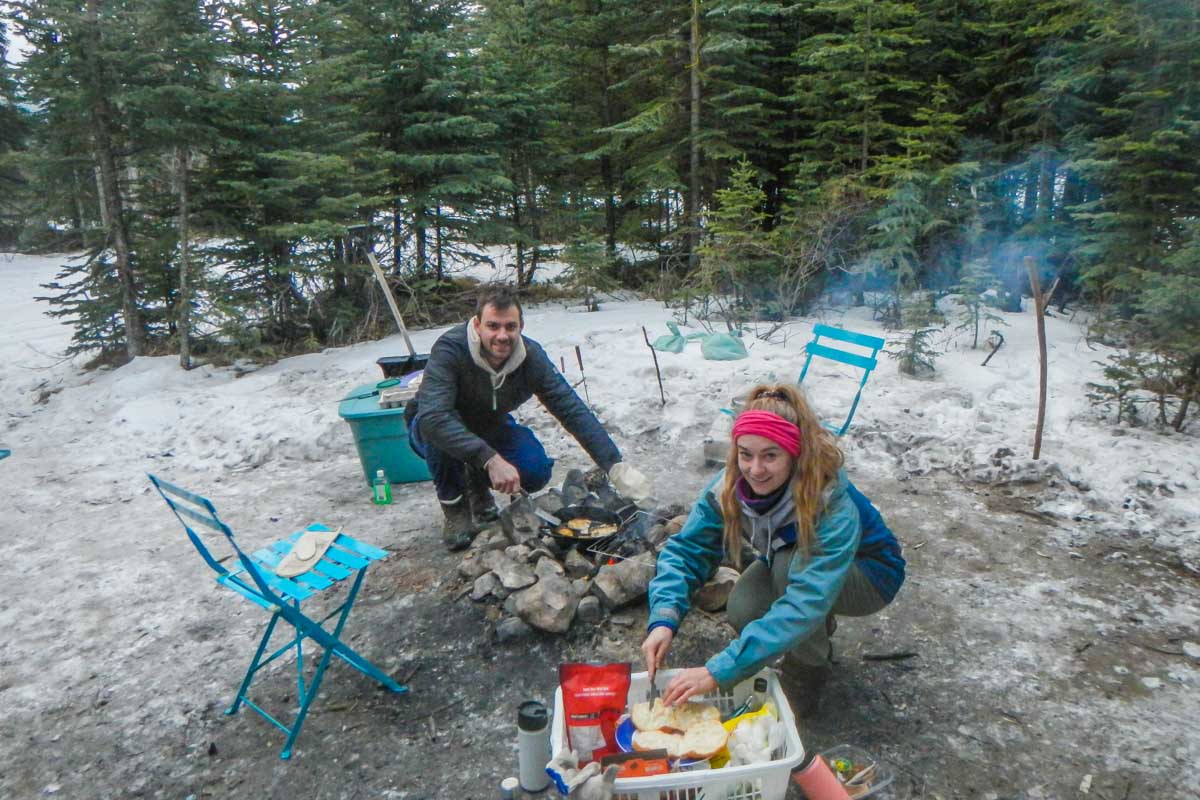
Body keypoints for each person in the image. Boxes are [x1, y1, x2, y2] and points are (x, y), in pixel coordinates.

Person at [640, 383, 904, 715]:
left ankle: (806, 676)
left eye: (771, 455)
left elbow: (805, 601)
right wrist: (663, 618)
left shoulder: (830, 500)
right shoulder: (729, 486)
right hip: (800, 564)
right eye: (746, 454)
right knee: (743, 607)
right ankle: (816, 630)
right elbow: (687, 549)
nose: (755, 469)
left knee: (789, 572)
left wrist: (717, 671)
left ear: (794, 453)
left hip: (872, 574)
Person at [405, 284, 649, 550]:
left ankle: (475, 479)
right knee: (440, 434)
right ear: (477, 325)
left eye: (510, 327)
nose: (502, 335)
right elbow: (434, 417)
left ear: (520, 326)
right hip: (432, 427)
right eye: (493, 326)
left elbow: (569, 407)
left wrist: (613, 464)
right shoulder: (451, 350)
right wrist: (489, 459)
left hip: (488, 425)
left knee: (534, 471)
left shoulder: (530, 357)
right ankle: (456, 507)